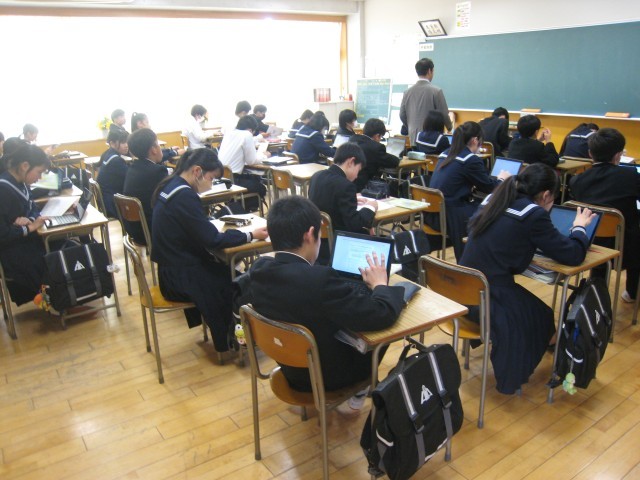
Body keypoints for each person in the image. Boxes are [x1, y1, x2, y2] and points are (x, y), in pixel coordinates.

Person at [249, 196, 404, 406]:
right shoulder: (319, 280)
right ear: (310, 235)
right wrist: (379, 285)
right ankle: (359, 393)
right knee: (386, 332)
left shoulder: (258, 269)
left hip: (290, 369)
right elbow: (380, 315)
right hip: (326, 378)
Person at [461, 163, 596, 394]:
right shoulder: (533, 214)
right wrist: (579, 227)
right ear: (546, 195)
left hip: (464, 290)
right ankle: (537, 361)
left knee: (540, 314)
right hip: (489, 296)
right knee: (543, 316)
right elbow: (572, 255)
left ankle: (548, 346)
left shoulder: (494, 198)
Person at [151, 149, 268, 352]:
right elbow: (212, 239)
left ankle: (235, 334)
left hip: (171, 270)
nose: (211, 185)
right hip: (181, 277)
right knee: (238, 281)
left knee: (230, 271)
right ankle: (235, 339)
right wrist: (250, 235)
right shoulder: (184, 196)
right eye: (212, 178)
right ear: (197, 171)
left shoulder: (171, 185)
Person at [570, 128, 639, 304]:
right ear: (618, 155)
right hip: (627, 244)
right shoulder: (630, 176)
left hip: (590, 240)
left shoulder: (577, 180)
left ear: (590, 153)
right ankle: (632, 292)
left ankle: (597, 289)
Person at [429, 121, 508, 261]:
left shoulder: (445, 154)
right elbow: (489, 187)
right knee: (491, 212)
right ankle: (478, 258)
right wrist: (502, 179)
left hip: (433, 214)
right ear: (475, 140)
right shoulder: (470, 160)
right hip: (452, 215)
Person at [308, 142, 378, 264]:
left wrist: (352, 199)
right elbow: (354, 223)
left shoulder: (317, 176)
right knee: (368, 229)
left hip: (318, 239)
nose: (357, 176)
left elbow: (328, 196)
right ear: (351, 162)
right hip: (338, 241)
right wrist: (370, 207)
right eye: (358, 170)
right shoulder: (346, 185)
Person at [0, 143, 51, 305]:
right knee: (56, 257)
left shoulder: (21, 183)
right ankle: (53, 301)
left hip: (25, 242)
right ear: (24, 166)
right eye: (39, 172)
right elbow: (3, 234)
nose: (40, 178)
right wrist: (29, 227)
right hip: (13, 252)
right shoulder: (3, 189)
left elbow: (33, 208)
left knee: (66, 243)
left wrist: (30, 220)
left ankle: (66, 298)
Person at [122, 128, 168, 245]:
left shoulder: (132, 168)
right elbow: (171, 199)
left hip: (135, 229)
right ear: (153, 149)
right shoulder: (158, 171)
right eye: (158, 145)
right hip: (153, 229)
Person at [400, 58, 452, 147]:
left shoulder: (407, 92)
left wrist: (411, 126)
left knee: (415, 155)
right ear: (429, 71)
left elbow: (402, 114)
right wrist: (450, 127)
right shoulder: (436, 91)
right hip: (432, 139)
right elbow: (443, 113)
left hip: (413, 136)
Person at [218, 115, 269, 200]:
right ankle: (248, 206)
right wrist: (265, 156)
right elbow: (251, 161)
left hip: (222, 178)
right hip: (234, 181)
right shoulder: (247, 134)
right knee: (261, 188)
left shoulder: (229, 133)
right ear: (250, 130)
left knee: (253, 180)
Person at [349, 118, 400, 191]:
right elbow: (394, 162)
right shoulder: (376, 147)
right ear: (377, 135)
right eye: (381, 137)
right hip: (365, 187)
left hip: (348, 183)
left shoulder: (352, 140)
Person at [97, 129, 129, 218]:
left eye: (127, 142)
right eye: (122, 142)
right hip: (112, 204)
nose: (126, 145)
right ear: (112, 143)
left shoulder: (108, 154)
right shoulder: (116, 161)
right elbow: (130, 179)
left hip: (106, 201)